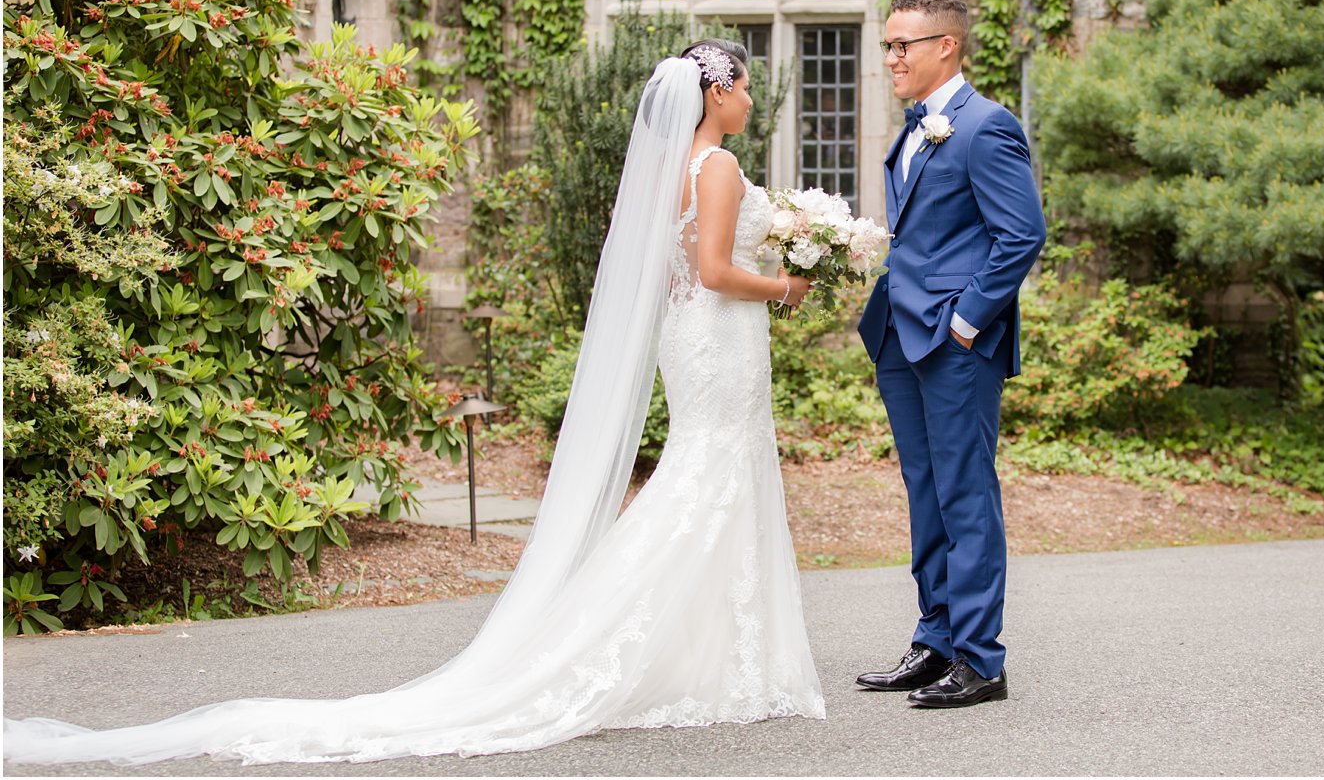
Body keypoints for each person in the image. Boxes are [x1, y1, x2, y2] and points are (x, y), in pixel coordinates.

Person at [4, 40, 825, 765]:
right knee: (705, 480)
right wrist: (789, 284)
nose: (751, 100)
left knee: (710, 476)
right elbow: (716, 270)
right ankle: (643, 645)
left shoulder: (671, 172)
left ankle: (723, 657)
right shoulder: (715, 166)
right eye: (746, 87)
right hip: (718, 336)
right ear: (717, 92)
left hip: (698, 339)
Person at [856, 0, 1046, 709]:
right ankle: (935, 641)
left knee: (966, 494)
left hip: (954, 342)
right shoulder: (915, 130)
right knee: (925, 491)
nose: (892, 58)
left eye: (905, 45)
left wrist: (966, 322)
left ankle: (980, 658)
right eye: (889, 45)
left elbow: (1021, 235)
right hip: (901, 337)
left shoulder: (986, 127)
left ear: (947, 47)